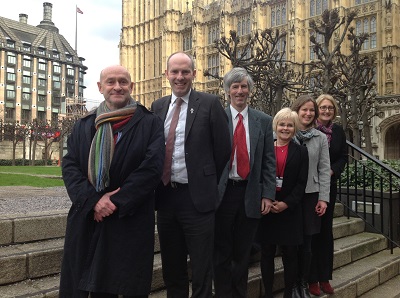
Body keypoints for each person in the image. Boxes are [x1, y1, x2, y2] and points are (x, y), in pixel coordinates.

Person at [59, 65, 165, 298]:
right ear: (100, 87)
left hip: (129, 218)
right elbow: (70, 167)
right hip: (89, 217)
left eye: (123, 82)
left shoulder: (150, 123)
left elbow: (151, 168)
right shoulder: (84, 124)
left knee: (126, 286)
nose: (117, 87)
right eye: (111, 82)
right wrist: (94, 201)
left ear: (131, 86)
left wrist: (113, 201)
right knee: (91, 286)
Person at [151, 52, 231, 298]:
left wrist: (204, 179)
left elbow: (223, 150)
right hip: (166, 198)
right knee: (172, 267)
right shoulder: (158, 106)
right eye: (174, 71)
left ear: (194, 74)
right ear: (167, 74)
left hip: (197, 200)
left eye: (185, 71)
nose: (179, 77)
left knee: (201, 266)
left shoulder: (209, 103)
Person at [213, 67, 276, 297]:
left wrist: (268, 194)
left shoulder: (263, 120)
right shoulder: (216, 117)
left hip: (249, 193)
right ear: (228, 91)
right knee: (221, 251)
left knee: (243, 252)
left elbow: (269, 161)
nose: (240, 91)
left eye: (243, 86)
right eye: (235, 86)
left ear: (249, 90)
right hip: (223, 194)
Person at [260, 108, 309, 298]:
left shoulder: (301, 152)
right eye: (282, 124)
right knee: (267, 253)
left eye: (289, 125)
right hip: (267, 208)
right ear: (276, 126)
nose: (285, 128)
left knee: (290, 254)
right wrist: (267, 199)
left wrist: (286, 204)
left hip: (289, 211)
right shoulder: (266, 149)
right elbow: (260, 177)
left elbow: (301, 183)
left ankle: (288, 293)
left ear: (295, 128)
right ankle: (268, 293)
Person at [291, 94, 331, 298]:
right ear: (296, 111)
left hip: (310, 195)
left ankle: (303, 283)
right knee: (291, 244)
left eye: (311, 110)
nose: (308, 113)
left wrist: (323, 198)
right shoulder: (286, 131)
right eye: (304, 110)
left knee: (307, 245)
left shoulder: (320, 137)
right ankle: (292, 284)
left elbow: (325, 169)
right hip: (289, 196)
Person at [308, 94, 347, 296]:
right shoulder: (309, 129)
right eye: (322, 107)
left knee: (325, 233)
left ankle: (325, 277)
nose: (326, 111)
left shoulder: (338, 131)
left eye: (330, 108)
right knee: (312, 234)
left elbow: (343, 157)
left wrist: (332, 170)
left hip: (328, 186)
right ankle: (311, 278)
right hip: (309, 187)